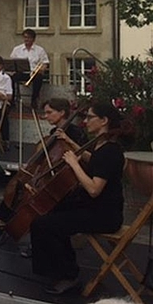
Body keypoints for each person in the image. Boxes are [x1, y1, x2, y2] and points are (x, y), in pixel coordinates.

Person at [31, 101, 130, 294]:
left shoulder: (111, 150)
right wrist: (73, 147)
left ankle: (68, 275)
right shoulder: (104, 145)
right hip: (95, 208)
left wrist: (74, 166)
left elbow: (94, 189)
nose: (85, 121)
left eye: (90, 117)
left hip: (103, 215)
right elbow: (94, 161)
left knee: (46, 225)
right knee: (50, 212)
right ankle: (56, 268)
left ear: (103, 121)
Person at [0, 98, 88, 224]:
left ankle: (18, 222)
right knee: (20, 184)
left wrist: (68, 140)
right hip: (48, 173)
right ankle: (5, 220)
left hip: (66, 179)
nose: (45, 116)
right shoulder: (53, 132)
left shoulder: (76, 133)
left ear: (62, 113)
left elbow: (82, 155)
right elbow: (45, 158)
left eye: (49, 112)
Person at [10, 29, 49, 109]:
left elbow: (45, 63)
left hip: (34, 73)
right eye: (25, 37)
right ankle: (12, 100)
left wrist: (41, 69)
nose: (26, 39)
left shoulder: (40, 50)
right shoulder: (17, 49)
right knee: (11, 78)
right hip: (22, 73)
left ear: (33, 39)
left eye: (29, 37)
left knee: (39, 78)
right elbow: (12, 62)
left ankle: (34, 100)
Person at [0, 54, 13, 144]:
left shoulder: (5, 77)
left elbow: (9, 96)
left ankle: (5, 139)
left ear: (0, 66)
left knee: (3, 114)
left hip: (0, 103)